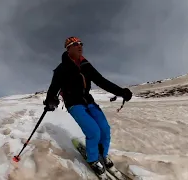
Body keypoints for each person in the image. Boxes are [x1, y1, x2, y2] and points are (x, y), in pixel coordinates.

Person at [43, 36, 133, 176]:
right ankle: (93, 159)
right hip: (74, 104)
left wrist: (121, 92)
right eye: (75, 44)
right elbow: (53, 88)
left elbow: (101, 81)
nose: (79, 46)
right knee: (93, 132)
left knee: (105, 129)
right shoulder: (62, 69)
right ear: (68, 48)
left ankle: (103, 154)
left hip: (88, 101)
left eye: (80, 43)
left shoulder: (86, 65)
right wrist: (50, 100)